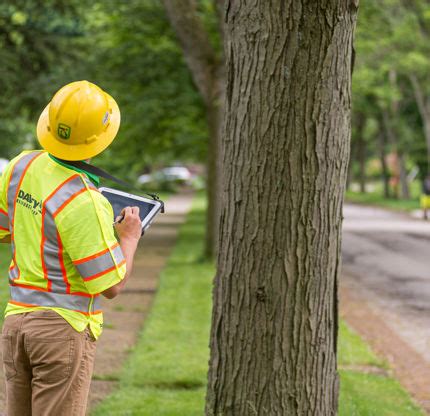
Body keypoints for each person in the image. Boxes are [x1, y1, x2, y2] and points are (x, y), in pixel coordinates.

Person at [0, 81, 142, 415]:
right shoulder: (84, 202)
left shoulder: (21, 166)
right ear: (101, 137)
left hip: (16, 325)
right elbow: (111, 284)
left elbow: (5, 229)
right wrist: (129, 237)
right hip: (61, 332)